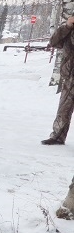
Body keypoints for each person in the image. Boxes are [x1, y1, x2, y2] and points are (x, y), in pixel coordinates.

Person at [42, 15, 74, 145]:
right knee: (64, 108)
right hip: (70, 76)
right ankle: (57, 137)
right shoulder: (68, 30)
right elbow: (54, 42)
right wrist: (67, 26)